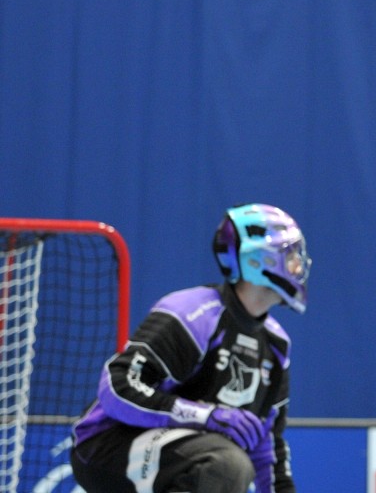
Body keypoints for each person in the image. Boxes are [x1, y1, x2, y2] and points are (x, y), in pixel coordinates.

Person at [70, 203, 312, 493]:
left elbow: (268, 447)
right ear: (257, 261)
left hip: (181, 452)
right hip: (106, 443)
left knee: (228, 464)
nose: (299, 266)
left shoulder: (277, 345)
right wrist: (204, 416)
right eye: (290, 255)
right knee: (226, 464)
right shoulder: (192, 312)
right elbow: (117, 386)